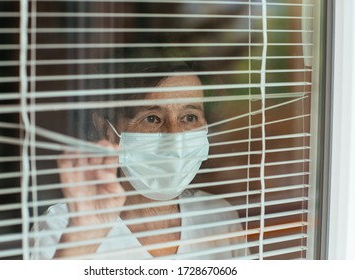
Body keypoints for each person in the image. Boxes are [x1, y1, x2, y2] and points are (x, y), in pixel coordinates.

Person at [30, 60, 247, 260]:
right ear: (107, 129)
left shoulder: (219, 218)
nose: (175, 137)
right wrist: (83, 239)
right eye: (151, 118)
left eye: (189, 117)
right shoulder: (63, 227)